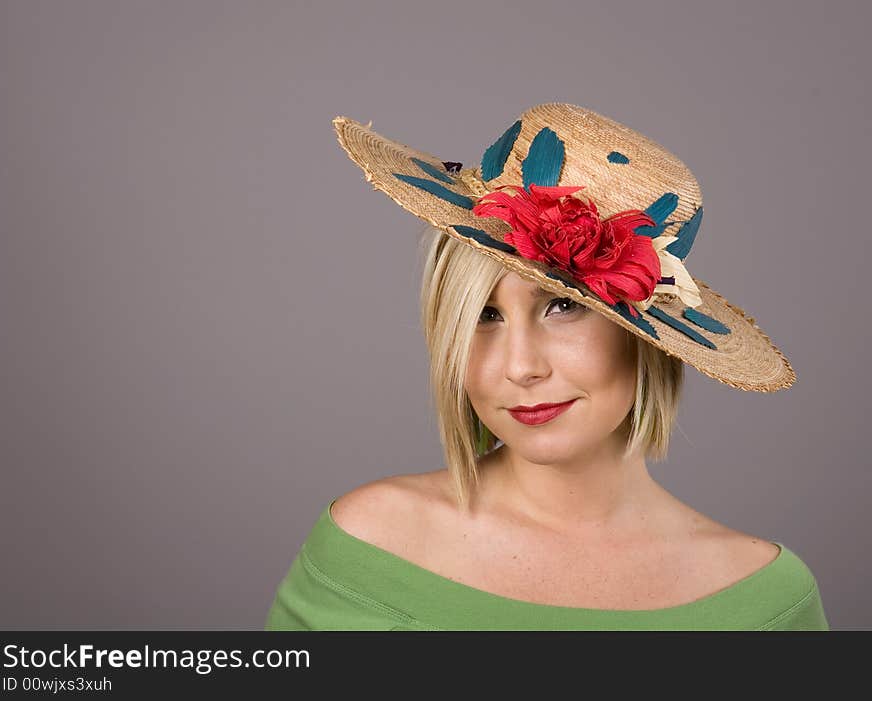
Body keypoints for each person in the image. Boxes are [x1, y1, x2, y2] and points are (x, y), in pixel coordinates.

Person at [264, 102, 829, 630]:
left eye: (564, 307)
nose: (520, 367)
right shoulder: (369, 548)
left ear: (649, 339)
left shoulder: (767, 602)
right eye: (484, 316)